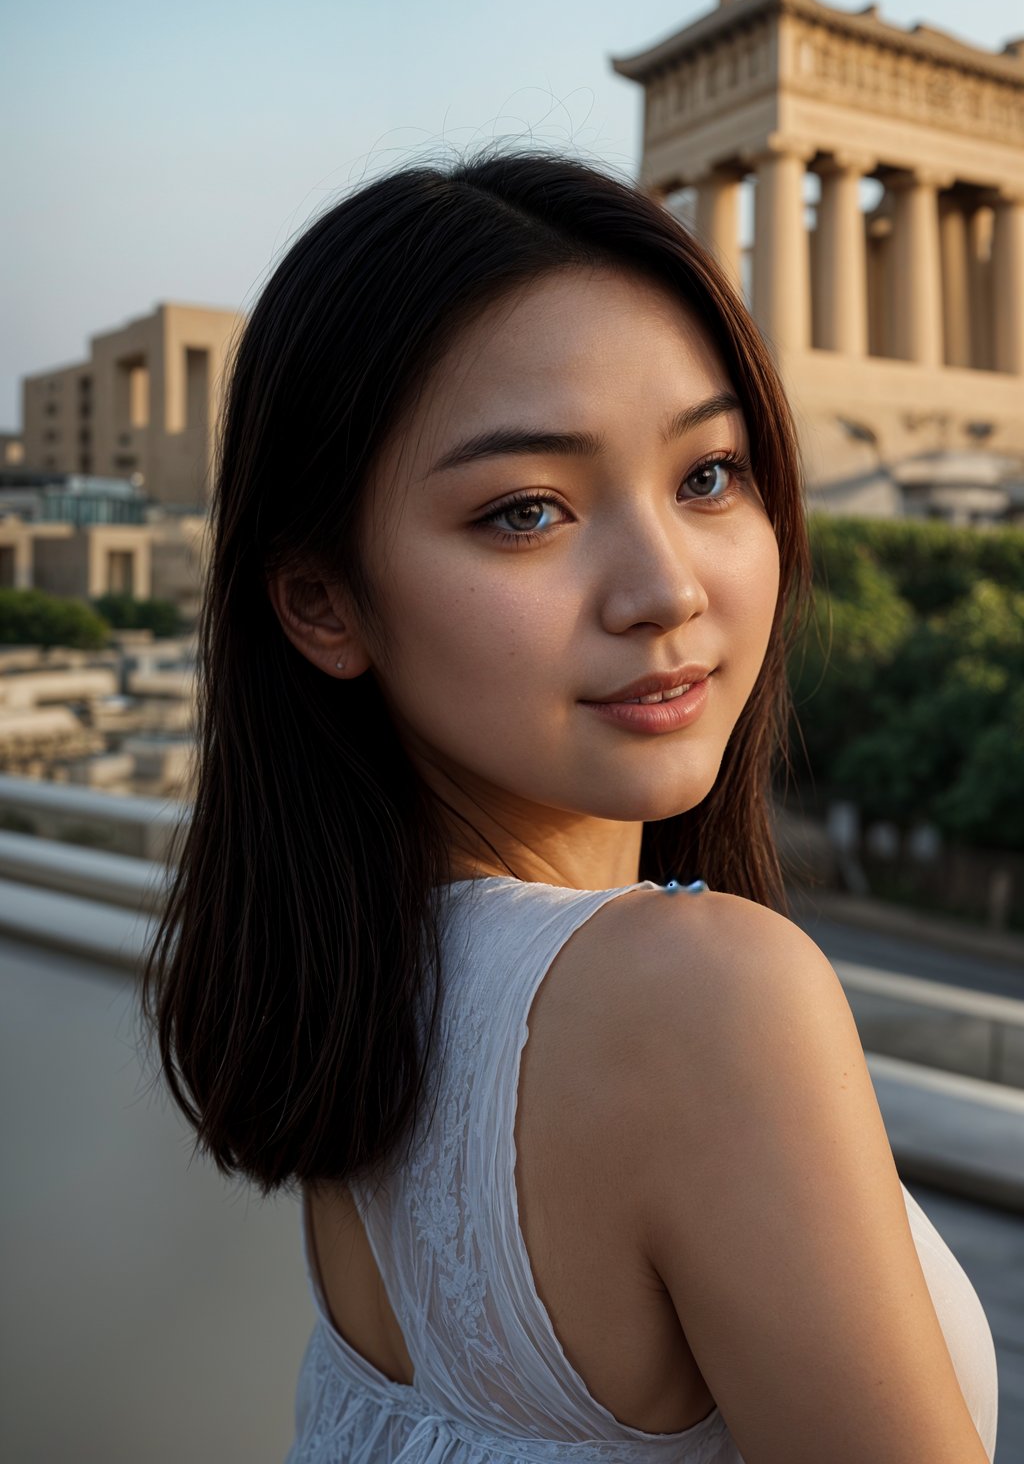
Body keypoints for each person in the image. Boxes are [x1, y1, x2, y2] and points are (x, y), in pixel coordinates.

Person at [141, 145, 998, 1464]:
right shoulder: (700, 995)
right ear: (320, 600)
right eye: (527, 510)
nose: (666, 588)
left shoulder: (347, 983)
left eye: (707, 475)